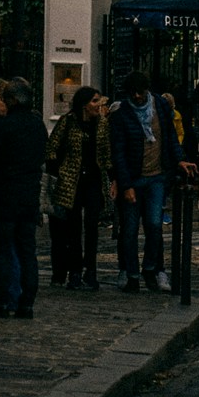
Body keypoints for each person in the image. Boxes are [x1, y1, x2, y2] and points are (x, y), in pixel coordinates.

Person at [110, 70, 195, 293]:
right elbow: (118, 153)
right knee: (129, 230)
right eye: (133, 93)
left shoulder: (160, 106)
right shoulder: (122, 113)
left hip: (157, 177)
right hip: (134, 178)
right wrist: (125, 184)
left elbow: (169, 137)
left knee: (155, 225)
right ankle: (132, 274)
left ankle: (150, 268)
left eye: (141, 92)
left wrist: (180, 160)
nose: (137, 97)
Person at [0, 75, 48, 318]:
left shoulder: (3, 126)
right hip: (29, 195)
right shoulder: (37, 125)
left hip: (5, 195)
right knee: (27, 250)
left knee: (3, 248)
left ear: (13, 100)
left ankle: (4, 300)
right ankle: (27, 302)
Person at [44, 82, 113, 290]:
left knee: (92, 227)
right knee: (73, 228)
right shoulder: (68, 122)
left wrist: (111, 178)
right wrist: (59, 172)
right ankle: (74, 271)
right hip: (71, 183)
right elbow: (52, 148)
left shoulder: (102, 124)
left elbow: (106, 154)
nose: (98, 105)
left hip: (93, 181)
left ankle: (90, 271)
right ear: (84, 104)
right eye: (94, 101)